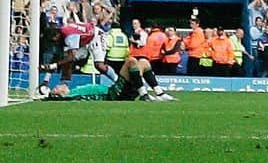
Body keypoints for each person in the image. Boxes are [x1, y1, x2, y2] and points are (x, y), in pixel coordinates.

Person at [39, 54, 175, 102]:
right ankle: (144, 95)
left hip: (117, 91)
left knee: (144, 63)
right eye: (55, 89)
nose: (57, 86)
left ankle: (159, 93)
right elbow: (53, 98)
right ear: (59, 95)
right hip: (114, 94)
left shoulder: (74, 91)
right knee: (131, 61)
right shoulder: (72, 96)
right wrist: (47, 93)